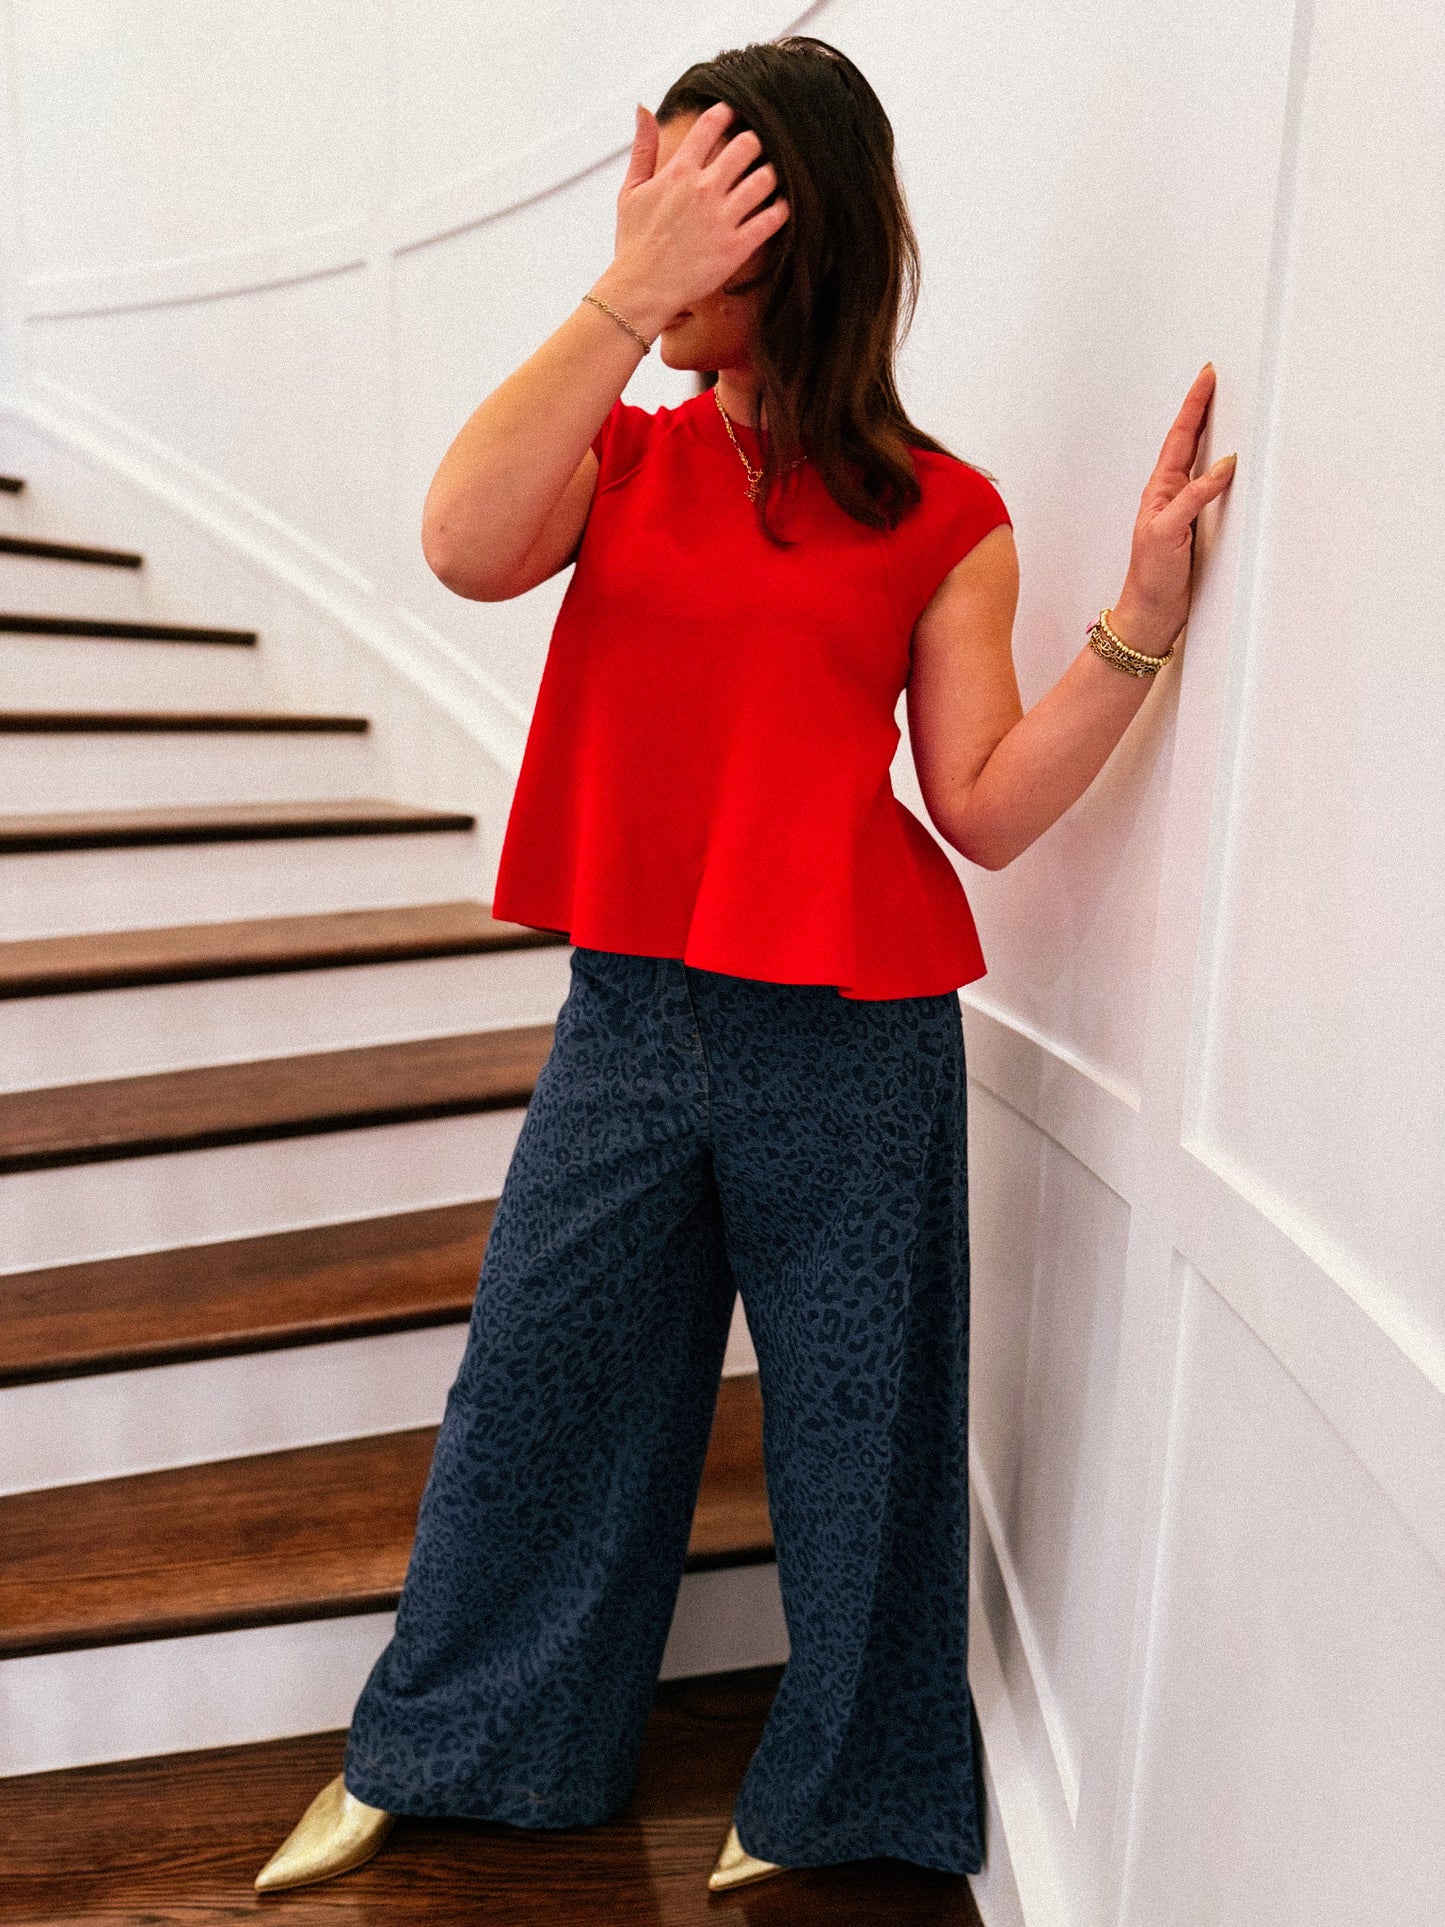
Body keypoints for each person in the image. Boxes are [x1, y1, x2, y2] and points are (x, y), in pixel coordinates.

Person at [254, 35, 1235, 1898]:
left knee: (864, 1431)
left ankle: (844, 1798)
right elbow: (464, 547)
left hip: (854, 1037)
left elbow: (985, 809)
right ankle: (469, 1746)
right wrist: (624, 290)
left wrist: (1138, 620)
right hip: (632, 1011)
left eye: (694, 200)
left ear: (794, 235)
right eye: (652, 198)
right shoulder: (615, 452)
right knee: (538, 1385)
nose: (653, 230)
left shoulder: (942, 514)